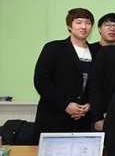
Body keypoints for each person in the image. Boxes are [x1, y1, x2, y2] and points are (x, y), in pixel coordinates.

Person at [34, 8, 98, 137]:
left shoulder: (96, 52)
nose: (84, 26)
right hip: (54, 117)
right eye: (78, 22)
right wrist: (66, 104)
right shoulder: (54, 48)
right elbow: (41, 81)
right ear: (69, 26)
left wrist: (90, 105)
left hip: (82, 119)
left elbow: (97, 84)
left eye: (88, 23)